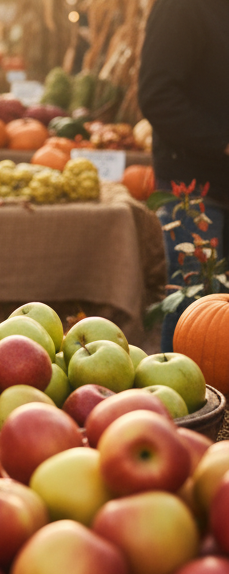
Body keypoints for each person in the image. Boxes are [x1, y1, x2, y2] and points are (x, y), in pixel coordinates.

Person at [137, 0, 229, 352]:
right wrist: (222, 141)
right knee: (196, 303)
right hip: (193, 187)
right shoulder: (182, 7)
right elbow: (157, 95)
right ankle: (183, 400)